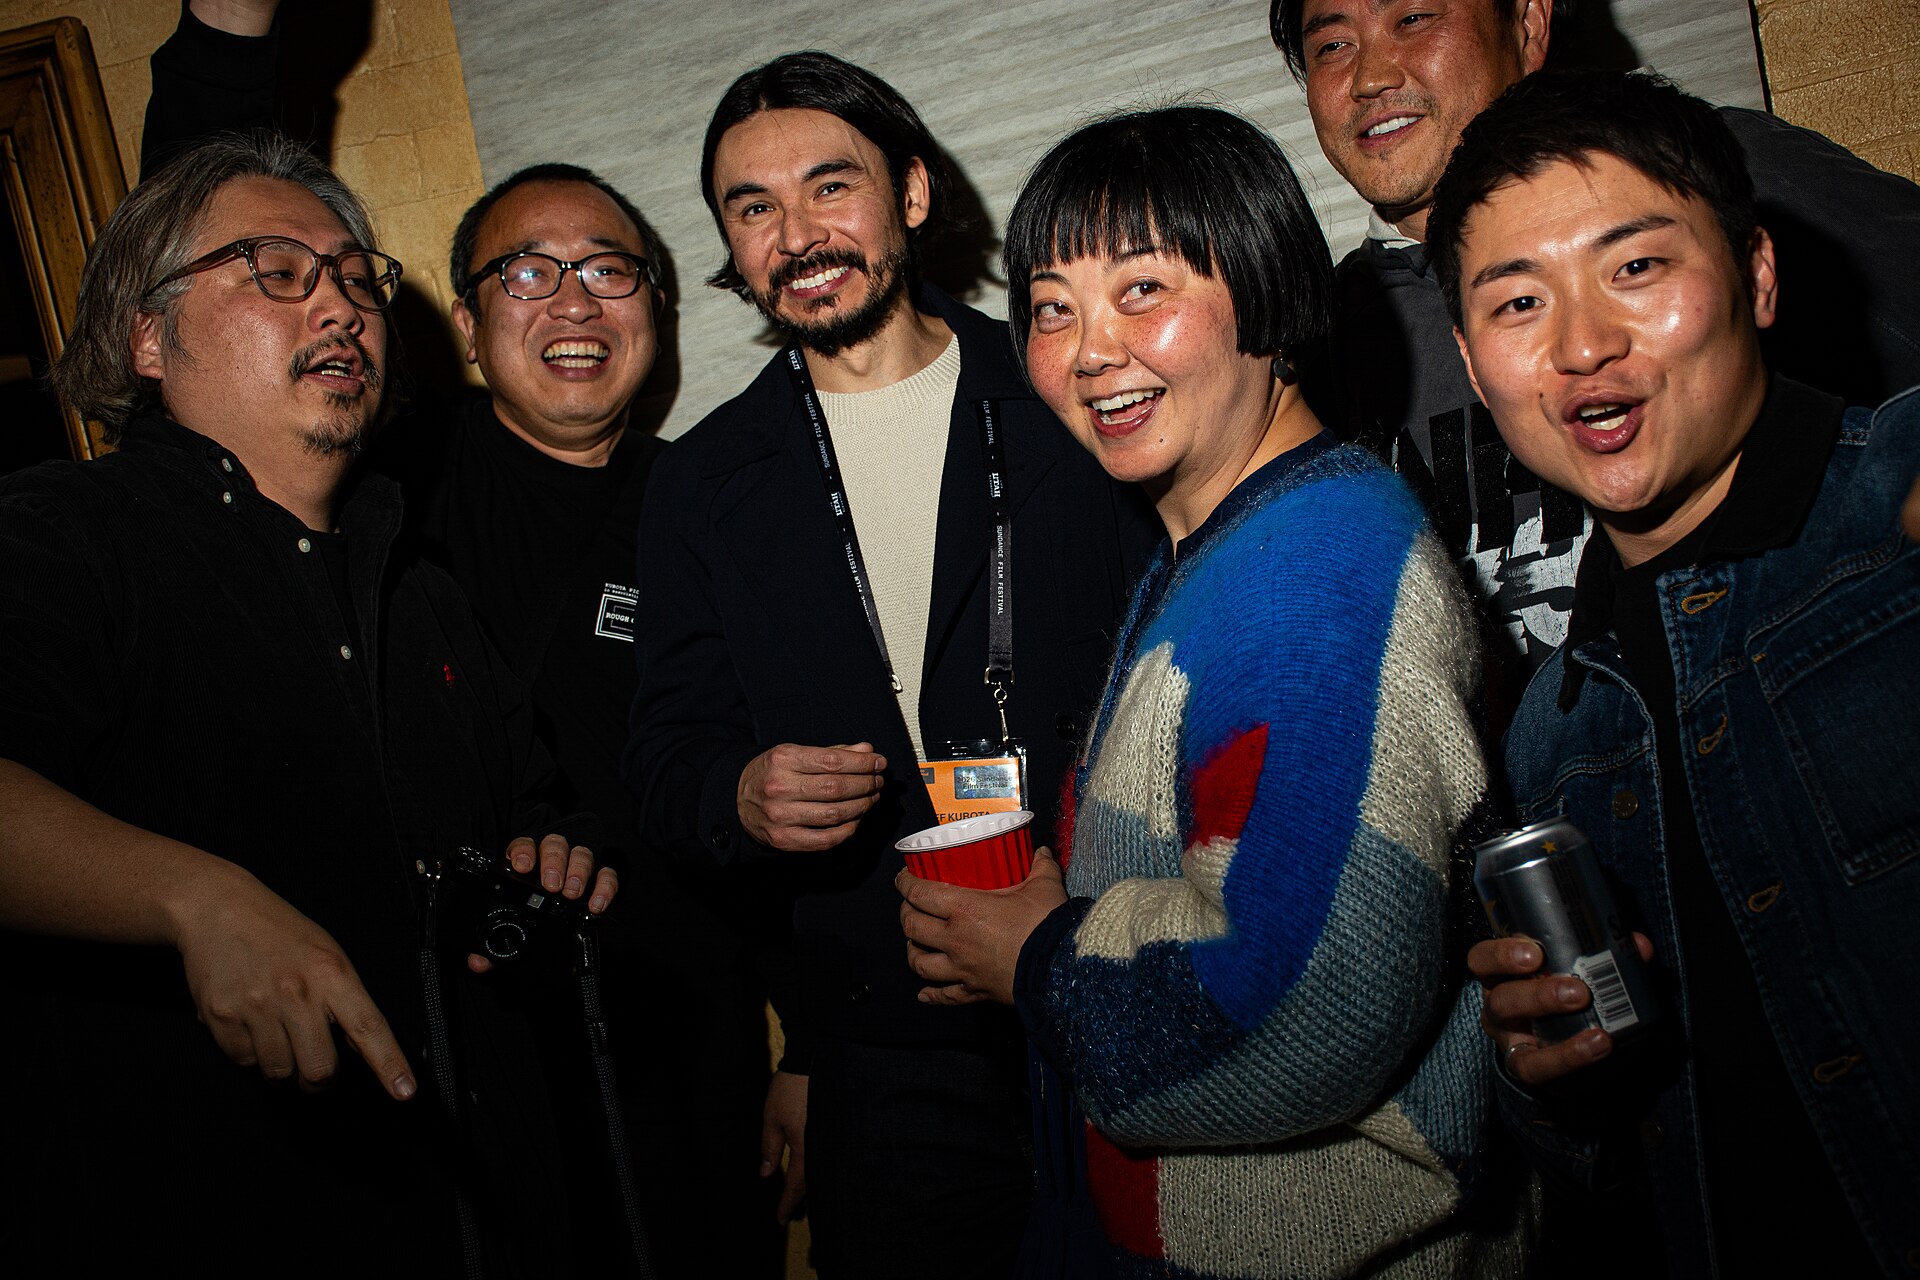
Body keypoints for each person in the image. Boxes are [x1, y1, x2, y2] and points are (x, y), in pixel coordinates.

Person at [140, 5, 783, 1270]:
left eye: (609, 270)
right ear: (467, 322)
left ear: (656, 306)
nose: (573, 300)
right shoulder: (394, 467)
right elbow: (215, 247)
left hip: (682, 1044)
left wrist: (807, 1041)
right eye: (525, 273)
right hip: (458, 1043)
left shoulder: (716, 500)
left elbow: (782, 776)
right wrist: (229, 27)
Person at [896, 104, 1529, 1279]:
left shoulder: (1315, 573)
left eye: (1142, 290)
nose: (1089, 351)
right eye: (1051, 308)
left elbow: (1309, 1005)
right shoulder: (1220, 540)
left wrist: (1037, 954)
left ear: (1268, 294)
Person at [0, 132, 618, 1274]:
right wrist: (193, 899)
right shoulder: (62, 534)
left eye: (355, 277)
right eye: (277, 270)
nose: (339, 306)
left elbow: (530, 806)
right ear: (147, 336)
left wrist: (553, 855)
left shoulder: (423, 591)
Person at [626, 50, 1157, 1279]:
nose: (797, 235)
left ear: (912, 194)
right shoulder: (702, 482)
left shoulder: (1070, 391)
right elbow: (663, 759)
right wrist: (737, 793)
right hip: (888, 1052)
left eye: (831, 186)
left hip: (1109, 974)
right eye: (754, 207)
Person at [1429, 69, 1920, 1277]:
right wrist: (1548, 1078)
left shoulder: (1898, 499)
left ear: (1757, 275)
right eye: (1519, 302)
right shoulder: (1553, 726)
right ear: (1474, 365)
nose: (1582, 345)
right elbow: (1619, 1159)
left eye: (1637, 266)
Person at [1270, 0, 1920, 698]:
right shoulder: (1310, 344)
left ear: (1527, 23)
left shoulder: (1707, 173)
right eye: (1332, 45)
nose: (1371, 74)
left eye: (1415, 17)